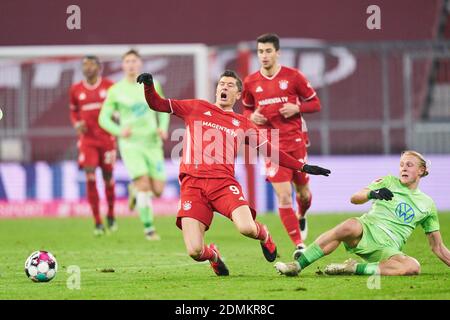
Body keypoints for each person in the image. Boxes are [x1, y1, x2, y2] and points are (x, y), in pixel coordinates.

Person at [137, 69, 330, 276]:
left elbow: (270, 151)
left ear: (238, 95)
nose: (224, 88)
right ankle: (214, 255)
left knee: (247, 228)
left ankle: (264, 235)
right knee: (195, 251)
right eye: (221, 84)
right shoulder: (196, 107)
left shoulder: (243, 123)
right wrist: (149, 86)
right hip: (192, 185)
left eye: (230, 85)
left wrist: (302, 166)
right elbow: (157, 104)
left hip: (223, 184)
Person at [275, 150, 450, 277]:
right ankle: (297, 265)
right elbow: (355, 198)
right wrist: (372, 194)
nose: (403, 168)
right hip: (366, 230)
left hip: (387, 247)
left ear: (421, 170)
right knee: (350, 224)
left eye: (409, 165)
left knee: (413, 267)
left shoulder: (428, 205)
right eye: (401, 164)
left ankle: (352, 268)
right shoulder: (388, 182)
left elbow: (437, 247)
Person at [242, 33, 321, 258]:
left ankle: (302, 214)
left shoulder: (294, 77)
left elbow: (315, 103)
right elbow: (246, 109)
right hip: (271, 146)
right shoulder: (250, 82)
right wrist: (252, 117)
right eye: (260, 52)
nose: (264, 56)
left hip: (296, 143)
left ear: (278, 53)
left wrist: (298, 109)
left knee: (303, 194)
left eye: (268, 51)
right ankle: (299, 245)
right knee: (284, 197)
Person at [99, 49, 170, 240]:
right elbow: (103, 118)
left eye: (134, 61)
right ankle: (149, 229)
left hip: (152, 143)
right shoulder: (116, 90)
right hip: (131, 144)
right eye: (127, 61)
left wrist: (163, 127)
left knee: (158, 189)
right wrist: (119, 131)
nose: (131, 65)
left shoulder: (152, 84)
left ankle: (134, 191)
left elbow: (162, 108)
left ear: (140, 64)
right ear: (123, 65)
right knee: (144, 184)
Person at [69, 55, 117, 236]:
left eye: (91, 64)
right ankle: (97, 221)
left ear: (99, 67)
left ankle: (111, 214)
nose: (87, 68)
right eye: (84, 65)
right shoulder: (75, 90)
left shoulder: (109, 87)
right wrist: (76, 124)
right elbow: (73, 112)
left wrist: (117, 119)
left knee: (108, 178)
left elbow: (118, 109)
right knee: (90, 177)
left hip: (106, 138)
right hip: (87, 140)